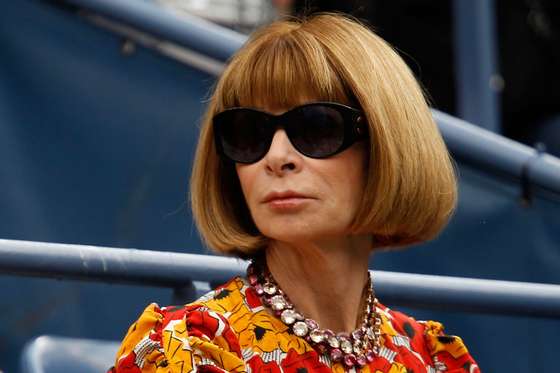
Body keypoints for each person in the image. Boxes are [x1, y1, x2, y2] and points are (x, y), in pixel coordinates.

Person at [109, 13, 480, 373]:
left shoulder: (432, 359)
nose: (276, 157)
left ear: (387, 146)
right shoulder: (189, 350)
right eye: (248, 133)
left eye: (317, 128)